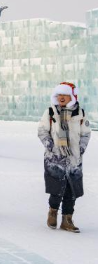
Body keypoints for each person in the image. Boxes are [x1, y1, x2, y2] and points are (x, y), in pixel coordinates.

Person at [38, 82, 90, 233]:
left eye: (65, 94)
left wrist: (80, 149)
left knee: (71, 191)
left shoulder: (80, 113)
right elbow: (42, 131)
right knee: (56, 189)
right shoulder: (50, 112)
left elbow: (86, 133)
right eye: (59, 94)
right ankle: (53, 212)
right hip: (55, 159)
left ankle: (67, 219)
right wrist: (52, 147)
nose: (61, 97)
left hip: (74, 159)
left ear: (72, 96)